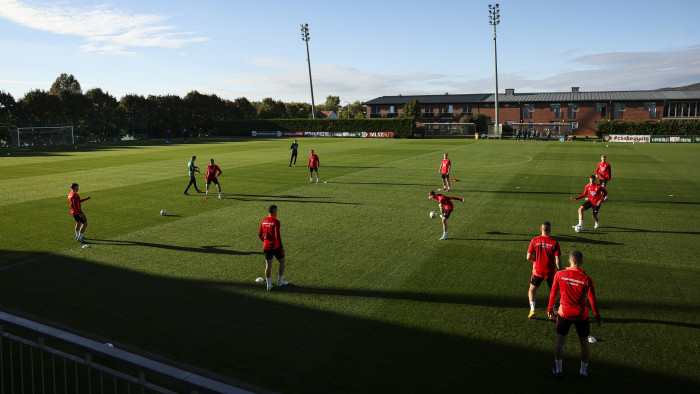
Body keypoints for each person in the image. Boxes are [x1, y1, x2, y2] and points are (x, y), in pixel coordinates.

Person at [547, 250, 602, 380]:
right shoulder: (587, 279)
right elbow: (593, 300)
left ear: (569, 260)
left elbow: (553, 293)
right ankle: (583, 373)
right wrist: (598, 317)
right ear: (582, 262)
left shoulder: (559, 275)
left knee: (559, 343)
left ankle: (559, 370)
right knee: (584, 345)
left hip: (564, 314)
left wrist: (550, 309)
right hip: (581, 316)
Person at [526, 221, 561, 319]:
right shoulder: (554, 242)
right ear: (550, 230)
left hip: (538, 271)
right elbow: (558, 260)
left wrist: (535, 261)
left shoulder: (534, 240)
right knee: (552, 291)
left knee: (532, 289)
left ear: (541, 229)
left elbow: (528, 257)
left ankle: (532, 310)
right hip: (551, 271)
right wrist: (560, 271)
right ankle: (552, 310)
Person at [258, 205, 288, 291]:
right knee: (282, 261)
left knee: (268, 265)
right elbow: (277, 236)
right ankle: (280, 281)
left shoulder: (263, 221)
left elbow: (260, 234)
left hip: (266, 246)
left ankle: (268, 284)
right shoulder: (276, 222)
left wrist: (265, 241)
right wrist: (281, 247)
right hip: (275, 246)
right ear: (274, 211)